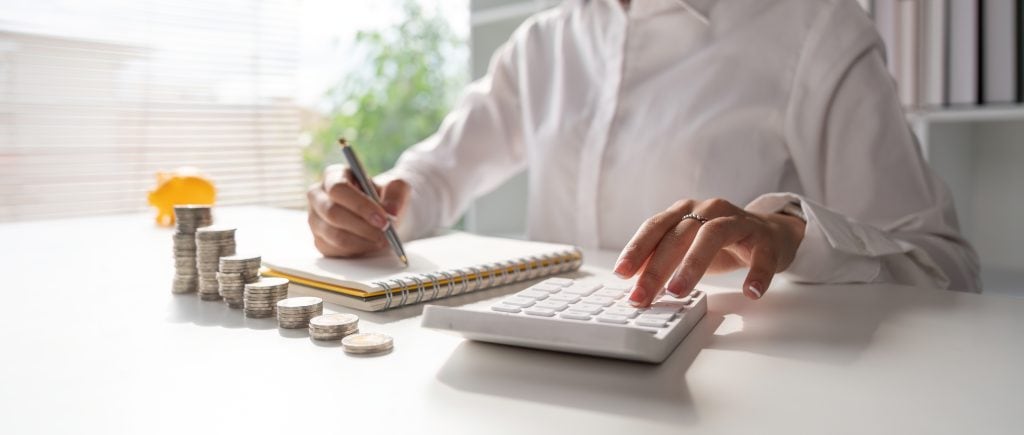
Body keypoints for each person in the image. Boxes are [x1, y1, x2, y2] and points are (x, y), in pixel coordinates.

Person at [306, 0, 981, 307]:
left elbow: (948, 266)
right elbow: (435, 172)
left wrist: (791, 233)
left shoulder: (818, 32)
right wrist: (376, 202)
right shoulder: (544, 42)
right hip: (537, 377)